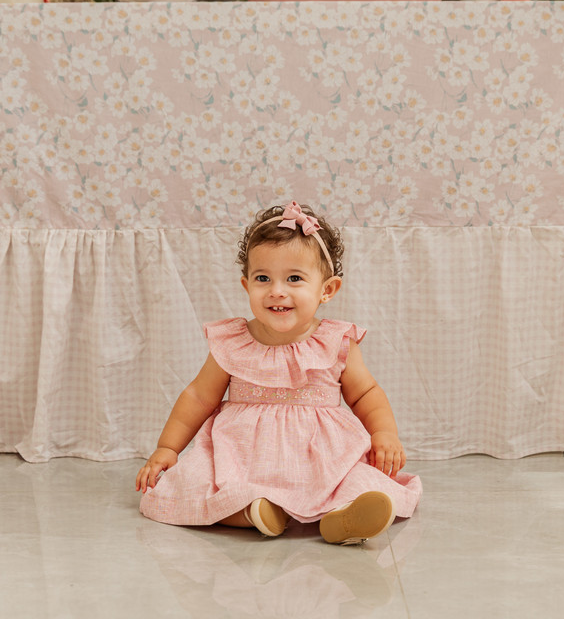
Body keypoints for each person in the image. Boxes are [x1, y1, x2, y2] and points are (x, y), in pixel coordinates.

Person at [135, 201, 421, 544]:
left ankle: (342, 519)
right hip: (241, 455)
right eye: (263, 278)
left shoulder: (336, 341)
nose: (276, 290)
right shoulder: (233, 341)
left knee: (357, 482)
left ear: (326, 290)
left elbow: (365, 394)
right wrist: (168, 448)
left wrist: (385, 434)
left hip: (322, 459)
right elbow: (198, 395)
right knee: (200, 483)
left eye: (295, 278)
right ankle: (255, 511)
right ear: (246, 286)